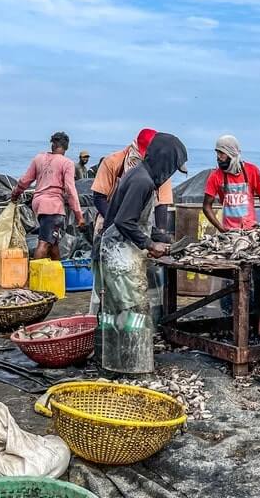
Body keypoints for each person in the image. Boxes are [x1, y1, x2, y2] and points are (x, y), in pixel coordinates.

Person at [97, 133, 188, 375]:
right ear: (163, 160)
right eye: (171, 168)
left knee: (117, 311)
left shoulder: (141, 176)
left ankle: (115, 362)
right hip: (119, 254)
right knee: (133, 311)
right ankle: (131, 366)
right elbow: (124, 221)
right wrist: (149, 244)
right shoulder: (142, 181)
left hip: (121, 251)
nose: (170, 175)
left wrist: (160, 238)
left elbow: (136, 219)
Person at [11, 132, 84, 260]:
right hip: (52, 207)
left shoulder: (39, 158)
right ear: (66, 147)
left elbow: (25, 180)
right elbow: (70, 190)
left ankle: (59, 273)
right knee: (44, 243)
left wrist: (15, 194)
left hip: (38, 204)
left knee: (53, 242)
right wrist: (79, 215)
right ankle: (34, 276)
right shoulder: (67, 163)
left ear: (52, 145)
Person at [92, 129, 174, 236]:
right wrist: (116, 226)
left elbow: (162, 204)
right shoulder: (112, 161)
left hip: (141, 226)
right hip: (108, 221)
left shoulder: (160, 169)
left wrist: (161, 234)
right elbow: (99, 197)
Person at [203, 135, 260, 232]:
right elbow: (206, 206)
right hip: (229, 230)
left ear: (232, 153)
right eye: (217, 153)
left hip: (251, 228)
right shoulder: (215, 176)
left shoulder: (252, 170)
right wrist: (221, 229)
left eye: (222, 153)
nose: (218, 157)